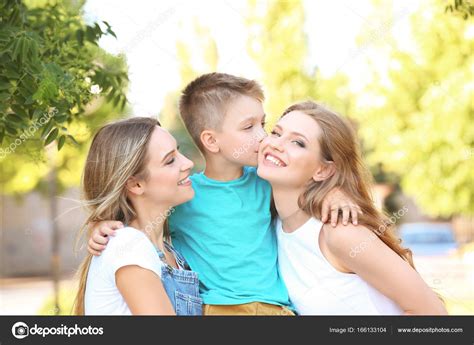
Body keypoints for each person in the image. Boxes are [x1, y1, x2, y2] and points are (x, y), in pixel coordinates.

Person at [87, 73, 360, 315]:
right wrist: (101, 224)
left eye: (263, 124)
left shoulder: (266, 182)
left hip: (277, 308)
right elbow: (134, 216)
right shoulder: (185, 196)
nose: (264, 137)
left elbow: (309, 182)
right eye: (248, 127)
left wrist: (335, 193)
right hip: (221, 309)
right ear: (211, 140)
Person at [257, 101, 448, 315]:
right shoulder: (269, 223)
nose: (276, 144)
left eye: (298, 143)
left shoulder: (341, 233)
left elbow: (433, 313)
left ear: (323, 170)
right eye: (275, 132)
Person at [74, 117, 202, 315]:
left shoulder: (169, 251)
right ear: (135, 184)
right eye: (170, 161)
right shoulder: (129, 246)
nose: (188, 163)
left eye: (179, 151)